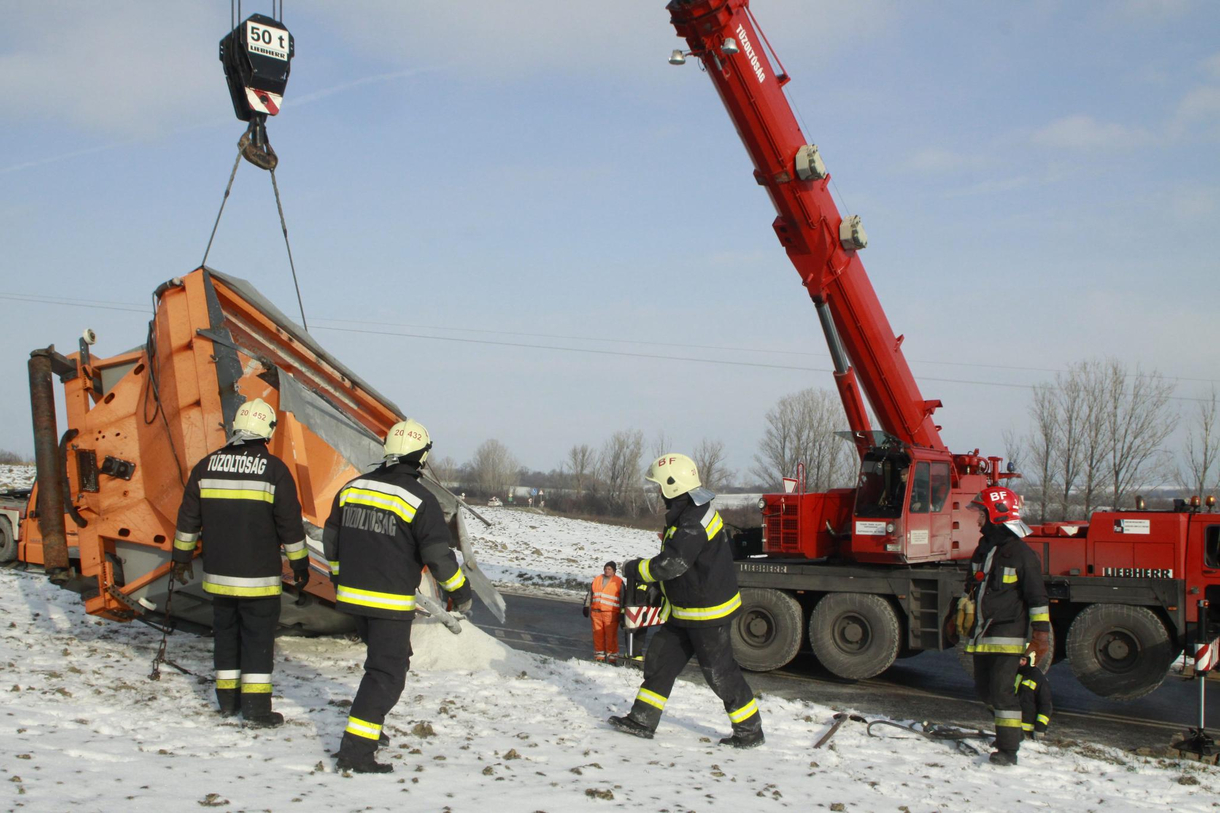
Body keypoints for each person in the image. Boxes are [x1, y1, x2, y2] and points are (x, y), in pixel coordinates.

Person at [323, 418, 473, 774]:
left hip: (354, 599)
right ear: (421, 458)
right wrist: (461, 593)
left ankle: (369, 727)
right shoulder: (421, 499)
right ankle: (356, 752)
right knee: (387, 675)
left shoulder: (353, 487)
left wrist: (340, 579)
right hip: (388, 604)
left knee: (386, 662)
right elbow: (439, 557)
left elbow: (331, 541)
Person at [609, 453, 763, 749]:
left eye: (659, 487)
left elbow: (672, 565)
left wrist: (635, 568)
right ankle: (642, 719)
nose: (657, 493)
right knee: (660, 661)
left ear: (672, 487)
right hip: (685, 610)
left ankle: (750, 731)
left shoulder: (693, 521)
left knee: (719, 673)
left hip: (706, 613)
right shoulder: (691, 512)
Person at [171, 397, 309, 726]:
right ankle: (257, 709)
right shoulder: (275, 471)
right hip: (259, 580)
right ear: (268, 433)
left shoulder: (205, 466)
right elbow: (290, 526)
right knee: (257, 640)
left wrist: (180, 557)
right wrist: (300, 565)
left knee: (226, 636)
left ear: (235, 428)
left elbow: (187, 519)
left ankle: (228, 702)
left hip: (218, 578)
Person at [961, 485, 1050, 767]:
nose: (977, 519)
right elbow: (972, 588)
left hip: (1009, 635)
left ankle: (1008, 749)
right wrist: (956, 616)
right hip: (982, 635)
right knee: (985, 692)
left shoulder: (1022, 554)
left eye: (981, 513)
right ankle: (1011, 733)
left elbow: (1037, 597)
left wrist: (1040, 635)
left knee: (1001, 692)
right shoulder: (984, 549)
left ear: (996, 515)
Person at [583, 562, 624, 663]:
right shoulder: (597, 579)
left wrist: (622, 613)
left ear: (614, 570)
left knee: (611, 636)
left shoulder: (618, 582)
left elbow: (623, 599)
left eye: (609, 569)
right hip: (596, 612)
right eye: (606, 568)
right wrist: (586, 606)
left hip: (611, 614)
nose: (607, 570)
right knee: (598, 635)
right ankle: (599, 657)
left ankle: (612, 658)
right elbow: (590, 594)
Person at [1017, 652, 1052, 741]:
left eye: (1023, 660)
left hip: (1028, 731)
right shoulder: (1012, 674)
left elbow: (1045, 705)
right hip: (1011, 727)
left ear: (1030, 660)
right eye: (1018, 659)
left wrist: (1040, 729)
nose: (1020, 662)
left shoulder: (1038, 678)